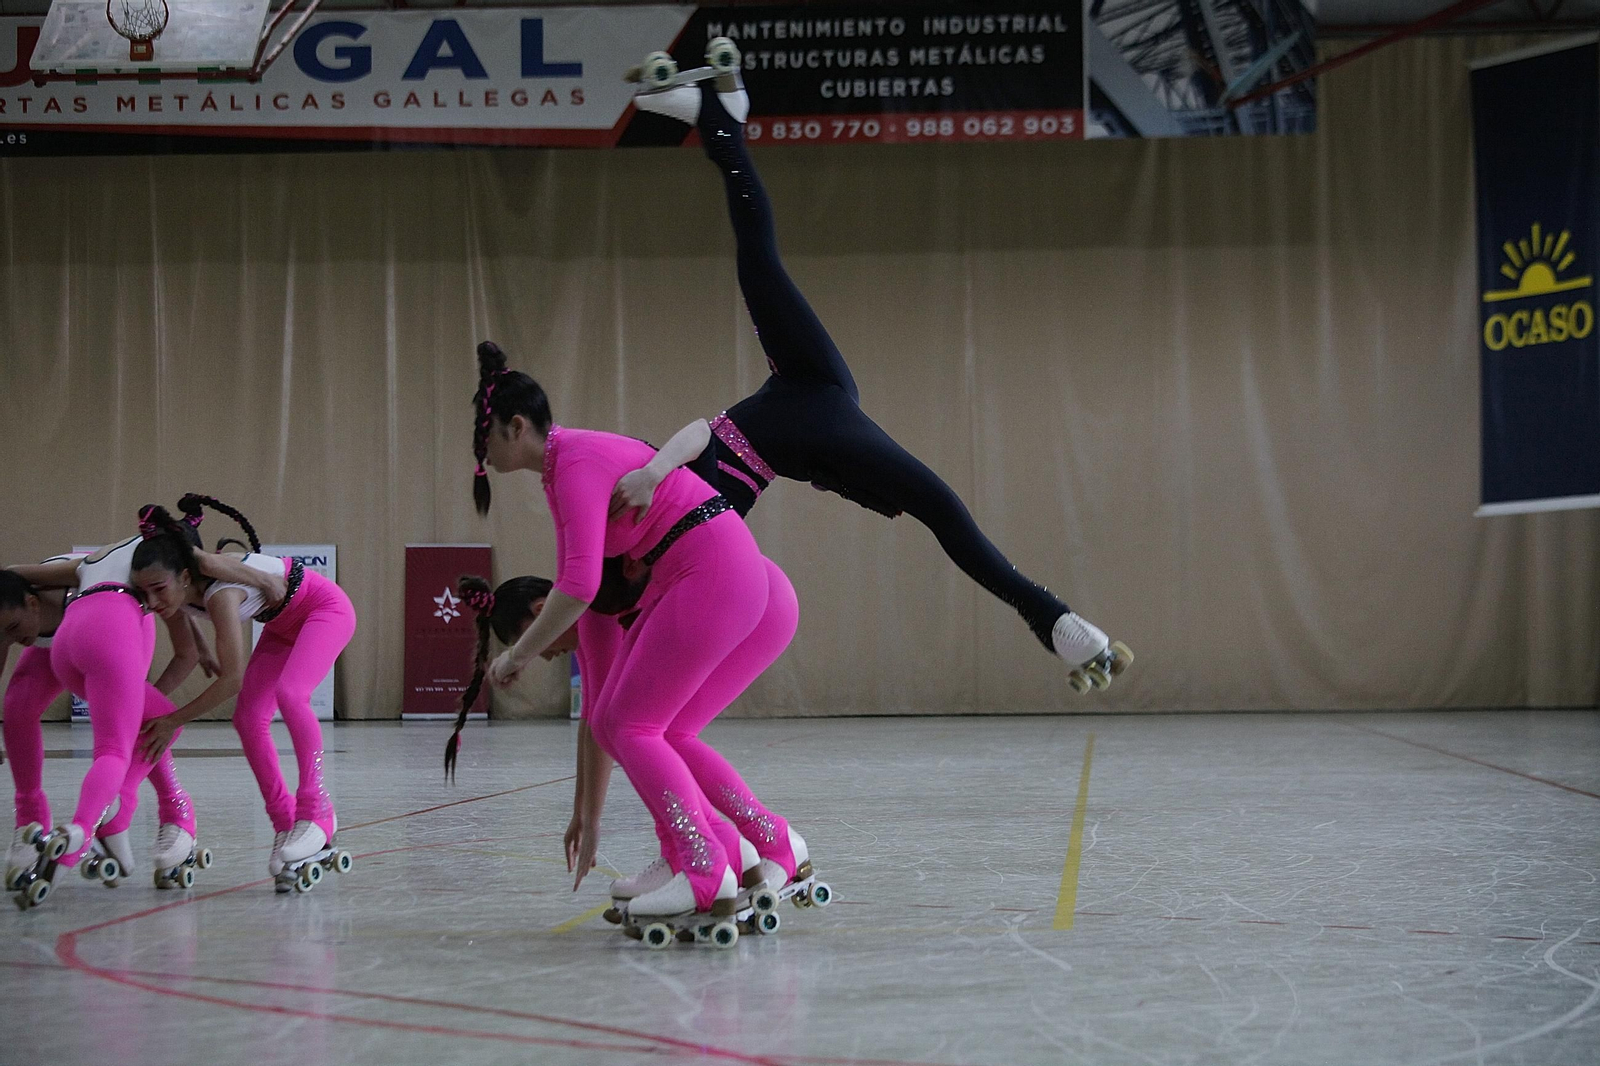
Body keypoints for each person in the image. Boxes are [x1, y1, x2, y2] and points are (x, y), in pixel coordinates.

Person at [618, 46, 1132, 692]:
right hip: (811, 423)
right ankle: (1057, 623)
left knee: (760, 264)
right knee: (940, 510)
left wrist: (651, 474)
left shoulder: (655, 513)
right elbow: (701, 597)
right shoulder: (685, 557)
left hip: (799, 396)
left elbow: (694, 435)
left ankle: (722, 120)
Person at [466, 341, 812, 943]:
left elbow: (577, 585)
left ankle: (703, 865)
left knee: (639, 728)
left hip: (720, 573)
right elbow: (597, 717)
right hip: (721, 573)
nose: (481, 455)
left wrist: (514, 658)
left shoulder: (573, 464)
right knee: (639, 726)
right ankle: (730, 847)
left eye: (484, 439)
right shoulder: (565, 483)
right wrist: (587, 817)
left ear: (515, 427)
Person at [3, 524, 282, 905]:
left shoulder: (149, 575)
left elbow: (199, 586)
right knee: (25, 709)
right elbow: (12, 574)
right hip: (88, 636)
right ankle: (47, 818)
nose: (153, 598)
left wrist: (145, 705)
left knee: (141, 727)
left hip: (90, 635)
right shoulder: (96, 571)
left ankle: (169, 809)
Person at [131, 495, 356, 890]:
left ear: (185, 577)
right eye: (143, 592)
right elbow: (187, 651)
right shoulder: (178, 594)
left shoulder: (220, 594)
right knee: (248, 719)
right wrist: (146, 704)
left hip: (325, 610)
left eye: (158, 590)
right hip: (282, 627)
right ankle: (285, 823)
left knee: (291, 694)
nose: (150, 603)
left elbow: (232, 679)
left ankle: (317, 809)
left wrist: (172, 720)